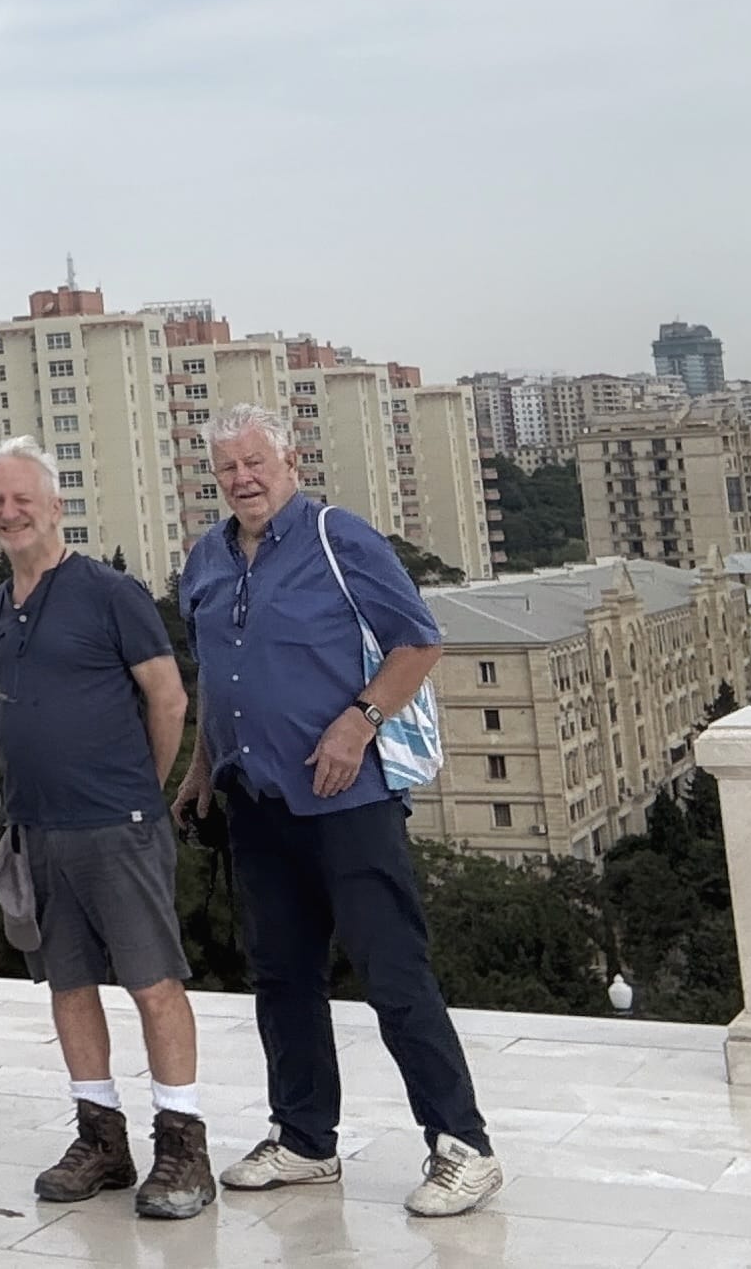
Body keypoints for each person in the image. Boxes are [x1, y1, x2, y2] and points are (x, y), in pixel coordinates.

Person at [177, 406, 503, 1219]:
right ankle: (305, 1141)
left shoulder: (338, 537)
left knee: (393, 975)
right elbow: (216, 674)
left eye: (256, 462)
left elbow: (418, 642)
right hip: (255, 801)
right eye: (227, 469)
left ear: (291, 459)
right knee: (282, 977)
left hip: (347, 802)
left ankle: (463, 1145)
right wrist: (198, 770)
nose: (243, 479)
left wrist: (359, 721)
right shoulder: (208, 559)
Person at [0, 443, 212, 1220]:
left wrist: (144, 788)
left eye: (21, 499)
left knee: (151, 982)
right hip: (38, 828)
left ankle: (182, 1145)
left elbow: (168, 696)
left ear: (56, 504)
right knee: (68, 987)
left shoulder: (110, 591)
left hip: (118, 821)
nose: (9, 513)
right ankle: (101, 1137)